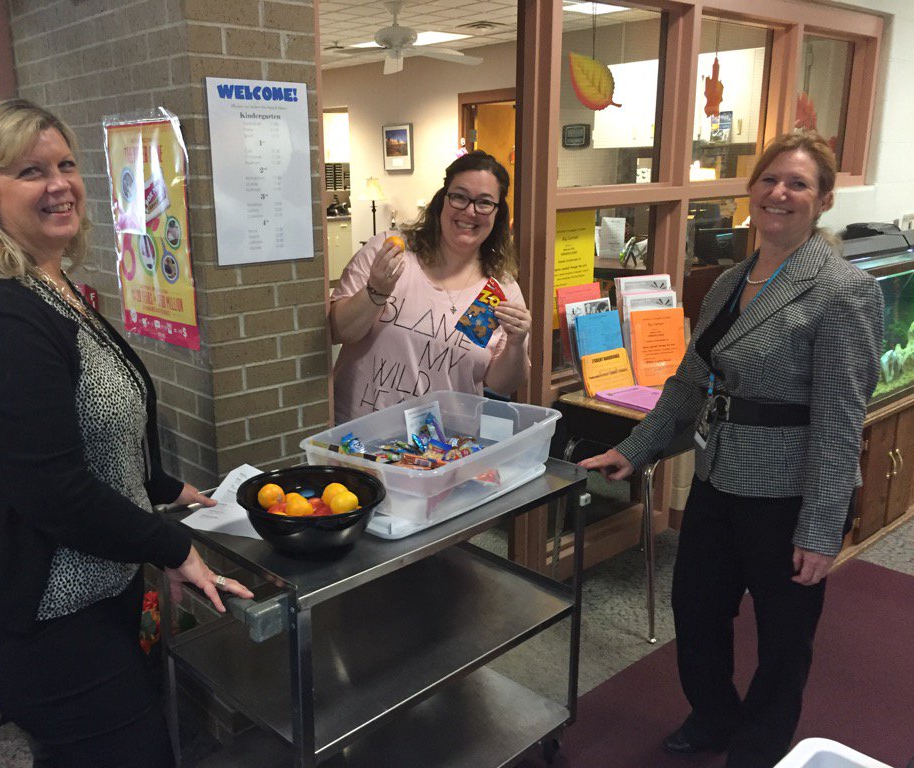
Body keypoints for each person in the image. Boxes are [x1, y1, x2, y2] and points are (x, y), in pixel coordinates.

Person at [0, 98, 252, 767]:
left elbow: (90, 423)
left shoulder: (49, 283)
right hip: (33, 613)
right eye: (29, 171)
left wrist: (164, 486)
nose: (59, 183)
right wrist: (171, 545)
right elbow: (50, 486)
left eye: (66, 164)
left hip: (93, 589)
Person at [579, 131, 883, 768]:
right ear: (752, 190)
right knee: (697, 609)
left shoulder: (842, 290)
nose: (779, 193)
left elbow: (839, 421)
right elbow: (691, 380)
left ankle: (759, 745)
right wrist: (635, 450)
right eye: (770, 180)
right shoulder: (729, 281)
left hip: (788, 494)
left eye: (797, 184)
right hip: (716, 476)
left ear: (823, 199)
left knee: (782, 637)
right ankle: (714, 715)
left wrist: (823, 530)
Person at [329, 150, 532, 424]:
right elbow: (338, 331)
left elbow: (501, 384)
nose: (470, 211)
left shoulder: (501, 289)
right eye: (459, 196)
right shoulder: (390, 251)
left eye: (484, 203)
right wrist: (375, 291)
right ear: (442, 200)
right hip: (358, 439)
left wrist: (517, 344)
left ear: (497, 213)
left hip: (444, 448)